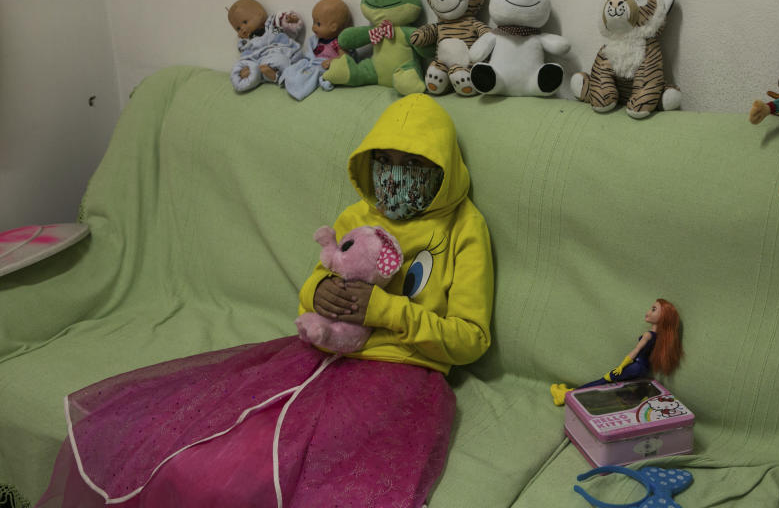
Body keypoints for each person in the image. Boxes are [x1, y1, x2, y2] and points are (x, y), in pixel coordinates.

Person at [36, 93, 494, 508]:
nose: (394, 175)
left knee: (323, 473)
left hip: (403, 373)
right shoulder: (357, 215)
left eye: (411, 163)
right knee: (209, 444)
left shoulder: (464, 228)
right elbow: (316, 281)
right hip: (318, 352)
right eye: (384, 160)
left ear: (442, 168)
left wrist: (383, 310)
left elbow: (471, 339)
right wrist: (321, 292)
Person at [550, 299, 683, 406]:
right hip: (642, 368)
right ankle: (628, 400)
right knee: (619, 385)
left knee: (605, 380)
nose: (648, 312)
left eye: (653, 309)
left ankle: (568, 395)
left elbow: (636, 351)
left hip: (635, 365)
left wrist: (621, 366)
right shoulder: (659, 337)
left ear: (663, 317)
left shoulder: (648, 335)